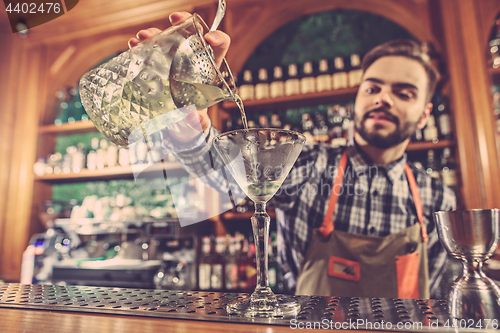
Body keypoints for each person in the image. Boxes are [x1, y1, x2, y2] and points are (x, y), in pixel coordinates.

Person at [130, 12, 456, 298]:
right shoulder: (311, 165)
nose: (384, 99)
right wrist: (188, 125)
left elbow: (442, 295)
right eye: (373, 88)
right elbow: (224, 177)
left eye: (403, 92)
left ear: (425, 114)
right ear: (356, 98)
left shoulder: (438, 199)